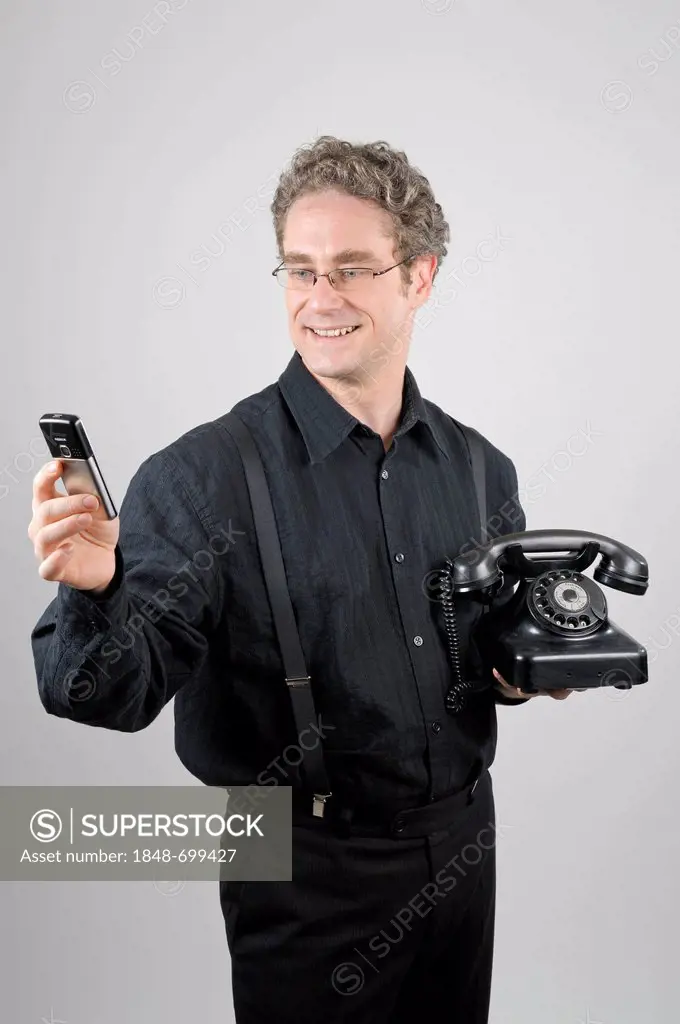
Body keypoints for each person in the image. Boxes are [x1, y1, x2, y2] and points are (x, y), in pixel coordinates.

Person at [28, 136, 575, 1024]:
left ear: (420, 278)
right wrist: (95, 591)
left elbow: (480, 658)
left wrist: (524, 669)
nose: (321, 299)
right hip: (296, 862)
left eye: (353, 269)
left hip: (465, 844)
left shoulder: (481, 470)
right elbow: (103, 695)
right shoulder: (201, 477)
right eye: (300, 269)